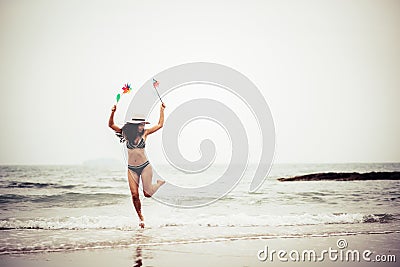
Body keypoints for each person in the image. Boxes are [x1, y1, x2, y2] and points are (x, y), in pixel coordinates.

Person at [108, 103, 166, 228]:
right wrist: (113, 112)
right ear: (134, 125)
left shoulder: (145, 133)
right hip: (131, 169)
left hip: (145, 166)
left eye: (143, 124)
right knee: (134, 195)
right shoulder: (126, 134)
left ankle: (159, 183)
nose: (142, 126)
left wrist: (161, 110)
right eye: (140, 124)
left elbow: (160, 124)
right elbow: (111, 125)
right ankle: (141, 218)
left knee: (147, 194)